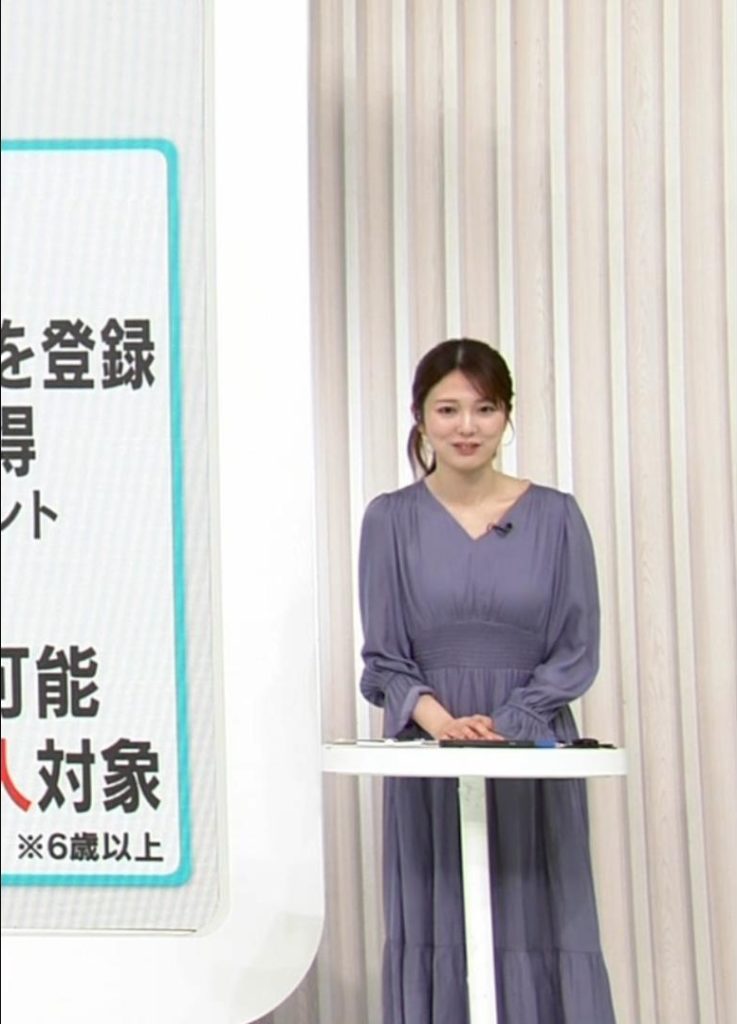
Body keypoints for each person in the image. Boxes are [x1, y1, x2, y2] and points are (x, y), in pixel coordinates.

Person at [358, 339, 615, 1024]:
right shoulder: (389, 519)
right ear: (419, 417)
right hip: (430, 752)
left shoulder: (557, 516)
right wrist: (442, 724)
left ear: (506, 416)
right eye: (447, 409)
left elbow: (576, 648)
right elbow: (383, 657)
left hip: (531, 748)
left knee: (540, 910)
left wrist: (510, 724)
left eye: (484, 408)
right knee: (443, 912)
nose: (466, 426)